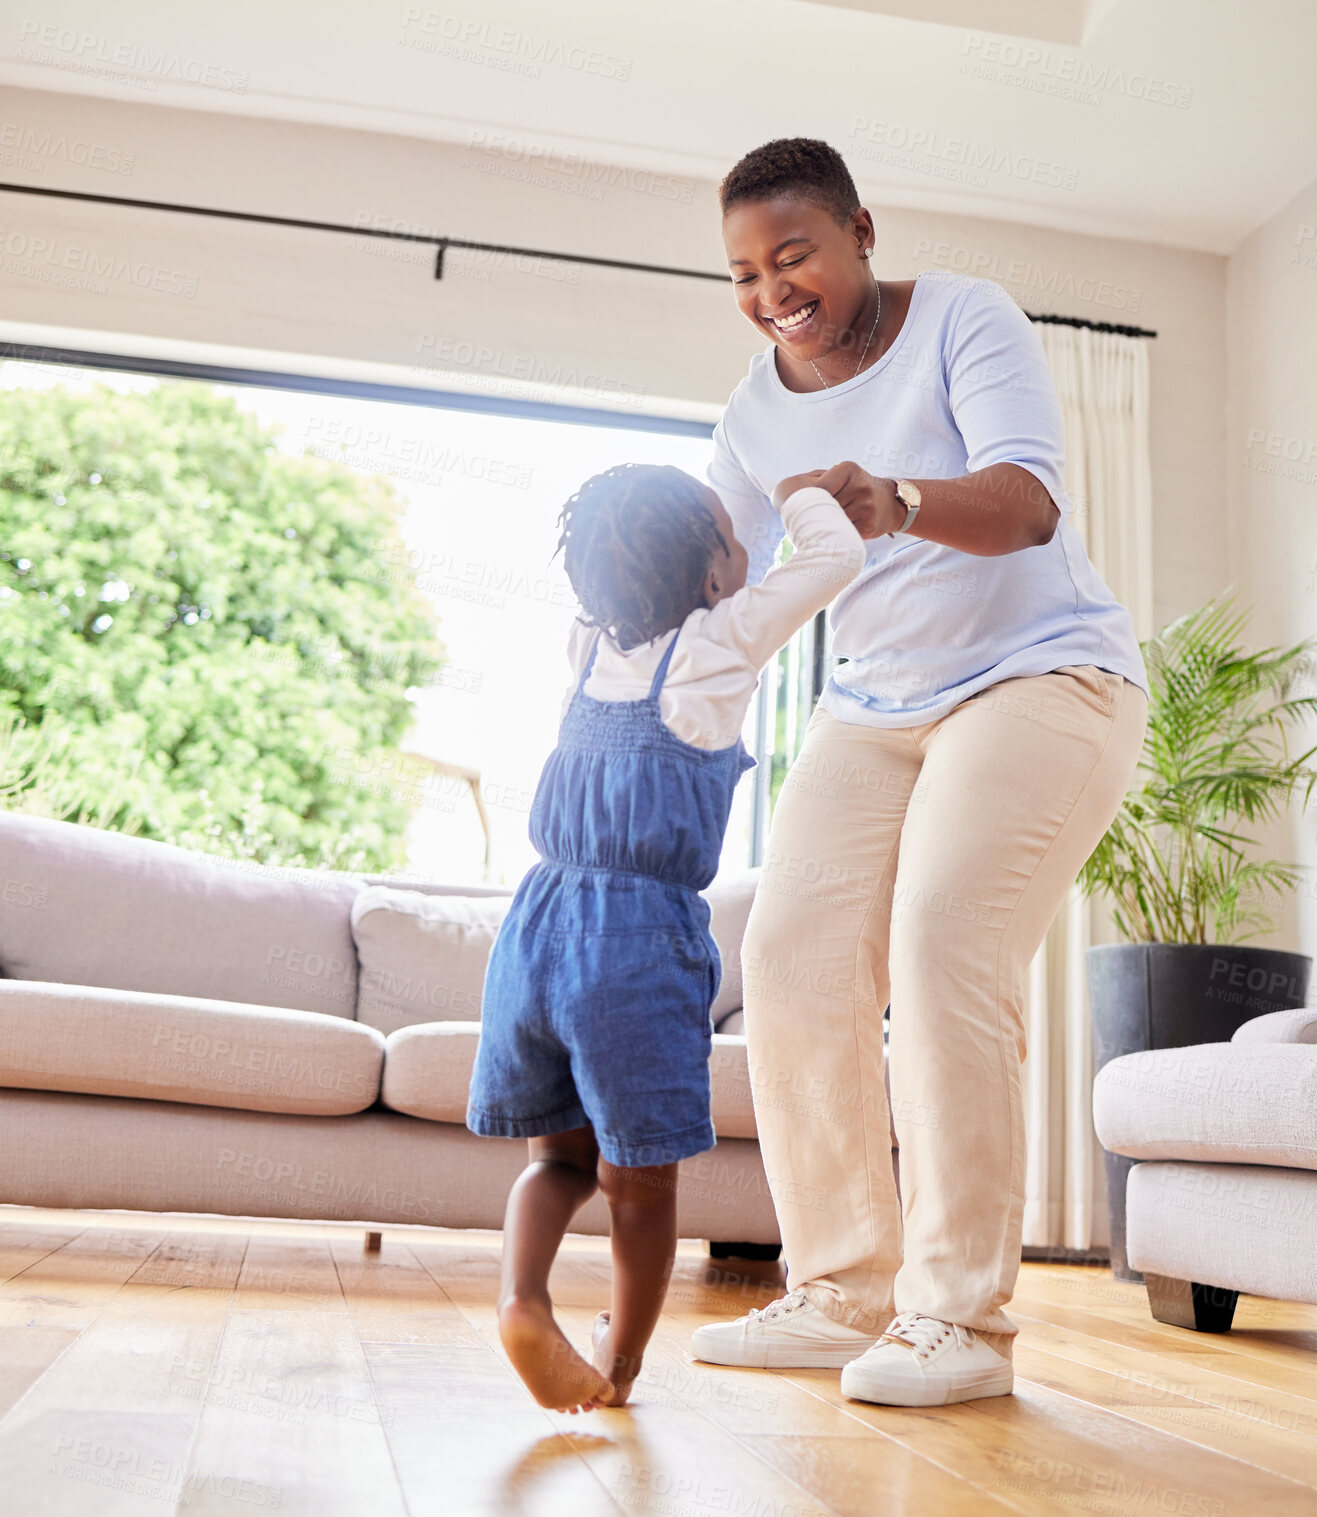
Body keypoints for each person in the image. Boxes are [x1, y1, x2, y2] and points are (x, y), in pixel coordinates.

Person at [689, 138, 1150, 1407]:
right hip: (874, 700)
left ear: (859, 234)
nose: (773, 289)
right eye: (742, 271)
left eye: (794, 255)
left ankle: (963, 1320)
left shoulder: (962, 317)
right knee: (790, 953)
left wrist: (890, 498)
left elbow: (1025, 505)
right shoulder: (753, 403)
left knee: (946, 939)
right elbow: (719, 569)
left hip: (1042, 675)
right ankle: (843, 1291)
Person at [466, 461, 866, 1412]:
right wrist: (805, 489)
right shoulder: (715, 647)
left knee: (555, 1163)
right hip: (634, 942)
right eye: (733, 539)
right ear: (711, 578)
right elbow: (835, 557)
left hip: (536, 926)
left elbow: (662, 565)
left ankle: (523, 1298)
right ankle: (619, 1366)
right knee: (638, 1185)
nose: (748, 547)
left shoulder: (584, 644)